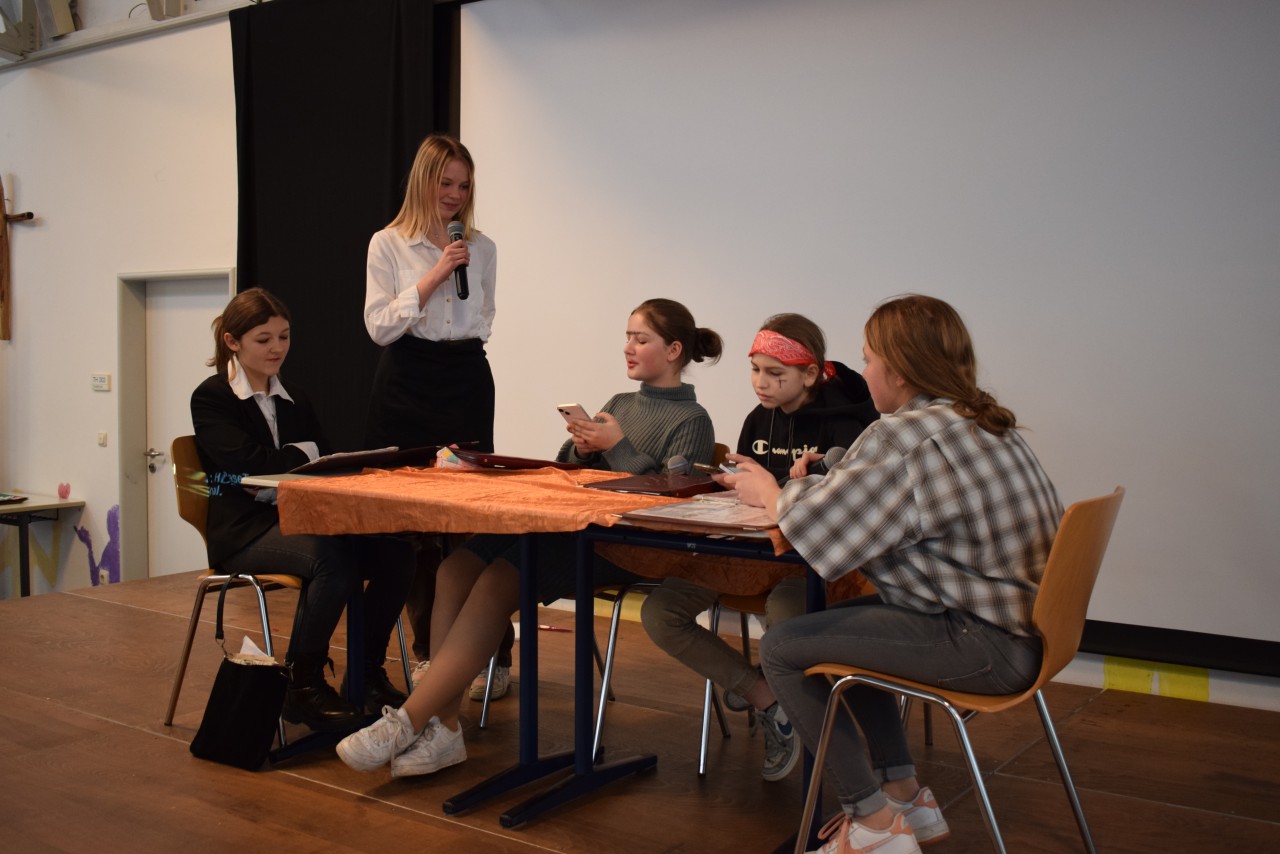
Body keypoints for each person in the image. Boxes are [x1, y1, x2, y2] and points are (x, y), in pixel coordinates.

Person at [724, 295, 1063, 854]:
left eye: (868, 359)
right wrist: (835, 470)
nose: (863, 372)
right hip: (1028, 635)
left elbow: (819, 528)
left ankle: (873, 823)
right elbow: (898, 492)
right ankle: (904, 795)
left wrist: (770, 491)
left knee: (783, 648)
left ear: (899, 371)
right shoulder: (979, 420)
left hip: (985, 645)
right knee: (841, 629)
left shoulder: (904, 436)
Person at [336, 298, 724, 778]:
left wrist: (617, 447)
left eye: (640, 339)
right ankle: (445, 726)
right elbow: (570, 471)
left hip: (624, 545)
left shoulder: (693, 419)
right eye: (627, 336)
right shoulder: (620, 404)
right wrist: (582, 449)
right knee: (455, 567)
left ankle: (409, 721)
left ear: (674, 350)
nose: (627, 347)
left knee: (498, 580)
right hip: (573, 525)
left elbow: (672, 502)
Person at [640, 312, 880, 782]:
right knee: (660, 612)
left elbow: (847, 509)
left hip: (810, 563)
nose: (761, 383)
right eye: (755, 370)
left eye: (775, 373)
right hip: (747, 553)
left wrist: (806, 480)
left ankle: (802, 719)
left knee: (786, 618)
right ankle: (766, 698)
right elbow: (748, 490)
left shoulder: (847, 425)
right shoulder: (758, 419)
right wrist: (728, 484)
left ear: (809, 374)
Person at [191, 288, 415, 732]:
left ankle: (365, 673)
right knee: (331, 560)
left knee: (397, 554)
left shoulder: (294, 396)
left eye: (284, 336)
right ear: (232, 342)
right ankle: (302, 685)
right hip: (243, 531)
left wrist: (297, 460)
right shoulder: (212, 397)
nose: (277, 348)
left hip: (296, 521)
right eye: (263, 339)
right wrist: (300, 455)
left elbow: (322, 461)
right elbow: (248, 467)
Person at [362, 134, 514, 701]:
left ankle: (493, 655)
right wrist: (434, 274)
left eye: (464, 185)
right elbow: (379, 326)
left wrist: (462, 332)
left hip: (464, 378)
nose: (455, 194)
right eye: (445, 183)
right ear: (423, 182)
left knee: (472, 521)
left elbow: (485, 311)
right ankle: (429, 652)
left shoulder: (484, 247)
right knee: (411, 530)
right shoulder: (388, 244)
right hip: (406, 379)